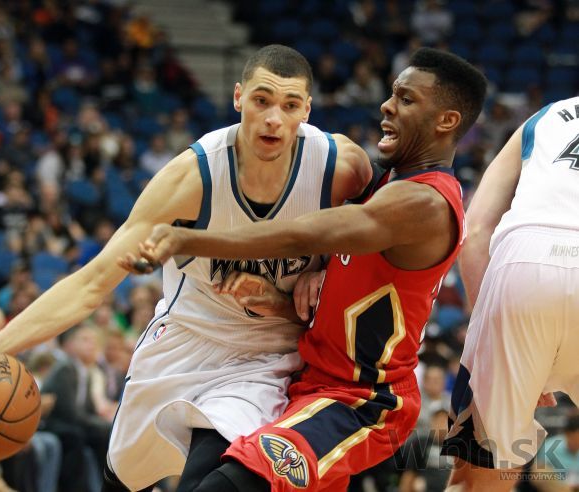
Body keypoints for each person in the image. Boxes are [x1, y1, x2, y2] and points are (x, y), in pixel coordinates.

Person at [0, 44, 371, 491]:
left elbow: (385, 236)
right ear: (238, 97)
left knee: (209, 479)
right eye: (262, 100)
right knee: (122, 480)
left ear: (307, 108)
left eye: (290, 105)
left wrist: (331, 271)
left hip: (268, 358)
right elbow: (92, 283)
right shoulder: (192, 177)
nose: (273, 119)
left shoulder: (339, 167)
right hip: (185, 340)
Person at [130, 47, 487, 491]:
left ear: (446, 122)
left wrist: (188, 239)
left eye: (406, 99)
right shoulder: (387, 188)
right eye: (393, 93)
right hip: (307, 381)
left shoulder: (425, 203)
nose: (386, 105)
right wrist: (290, 296)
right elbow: (352, 288)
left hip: (361, 401)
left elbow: (302, 235)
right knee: (200, 475)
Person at [440, 96, 579, 491]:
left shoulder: (545, 117)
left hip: (524, 262)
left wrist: (496, 338)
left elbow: (475, 233)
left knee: (478, 479)